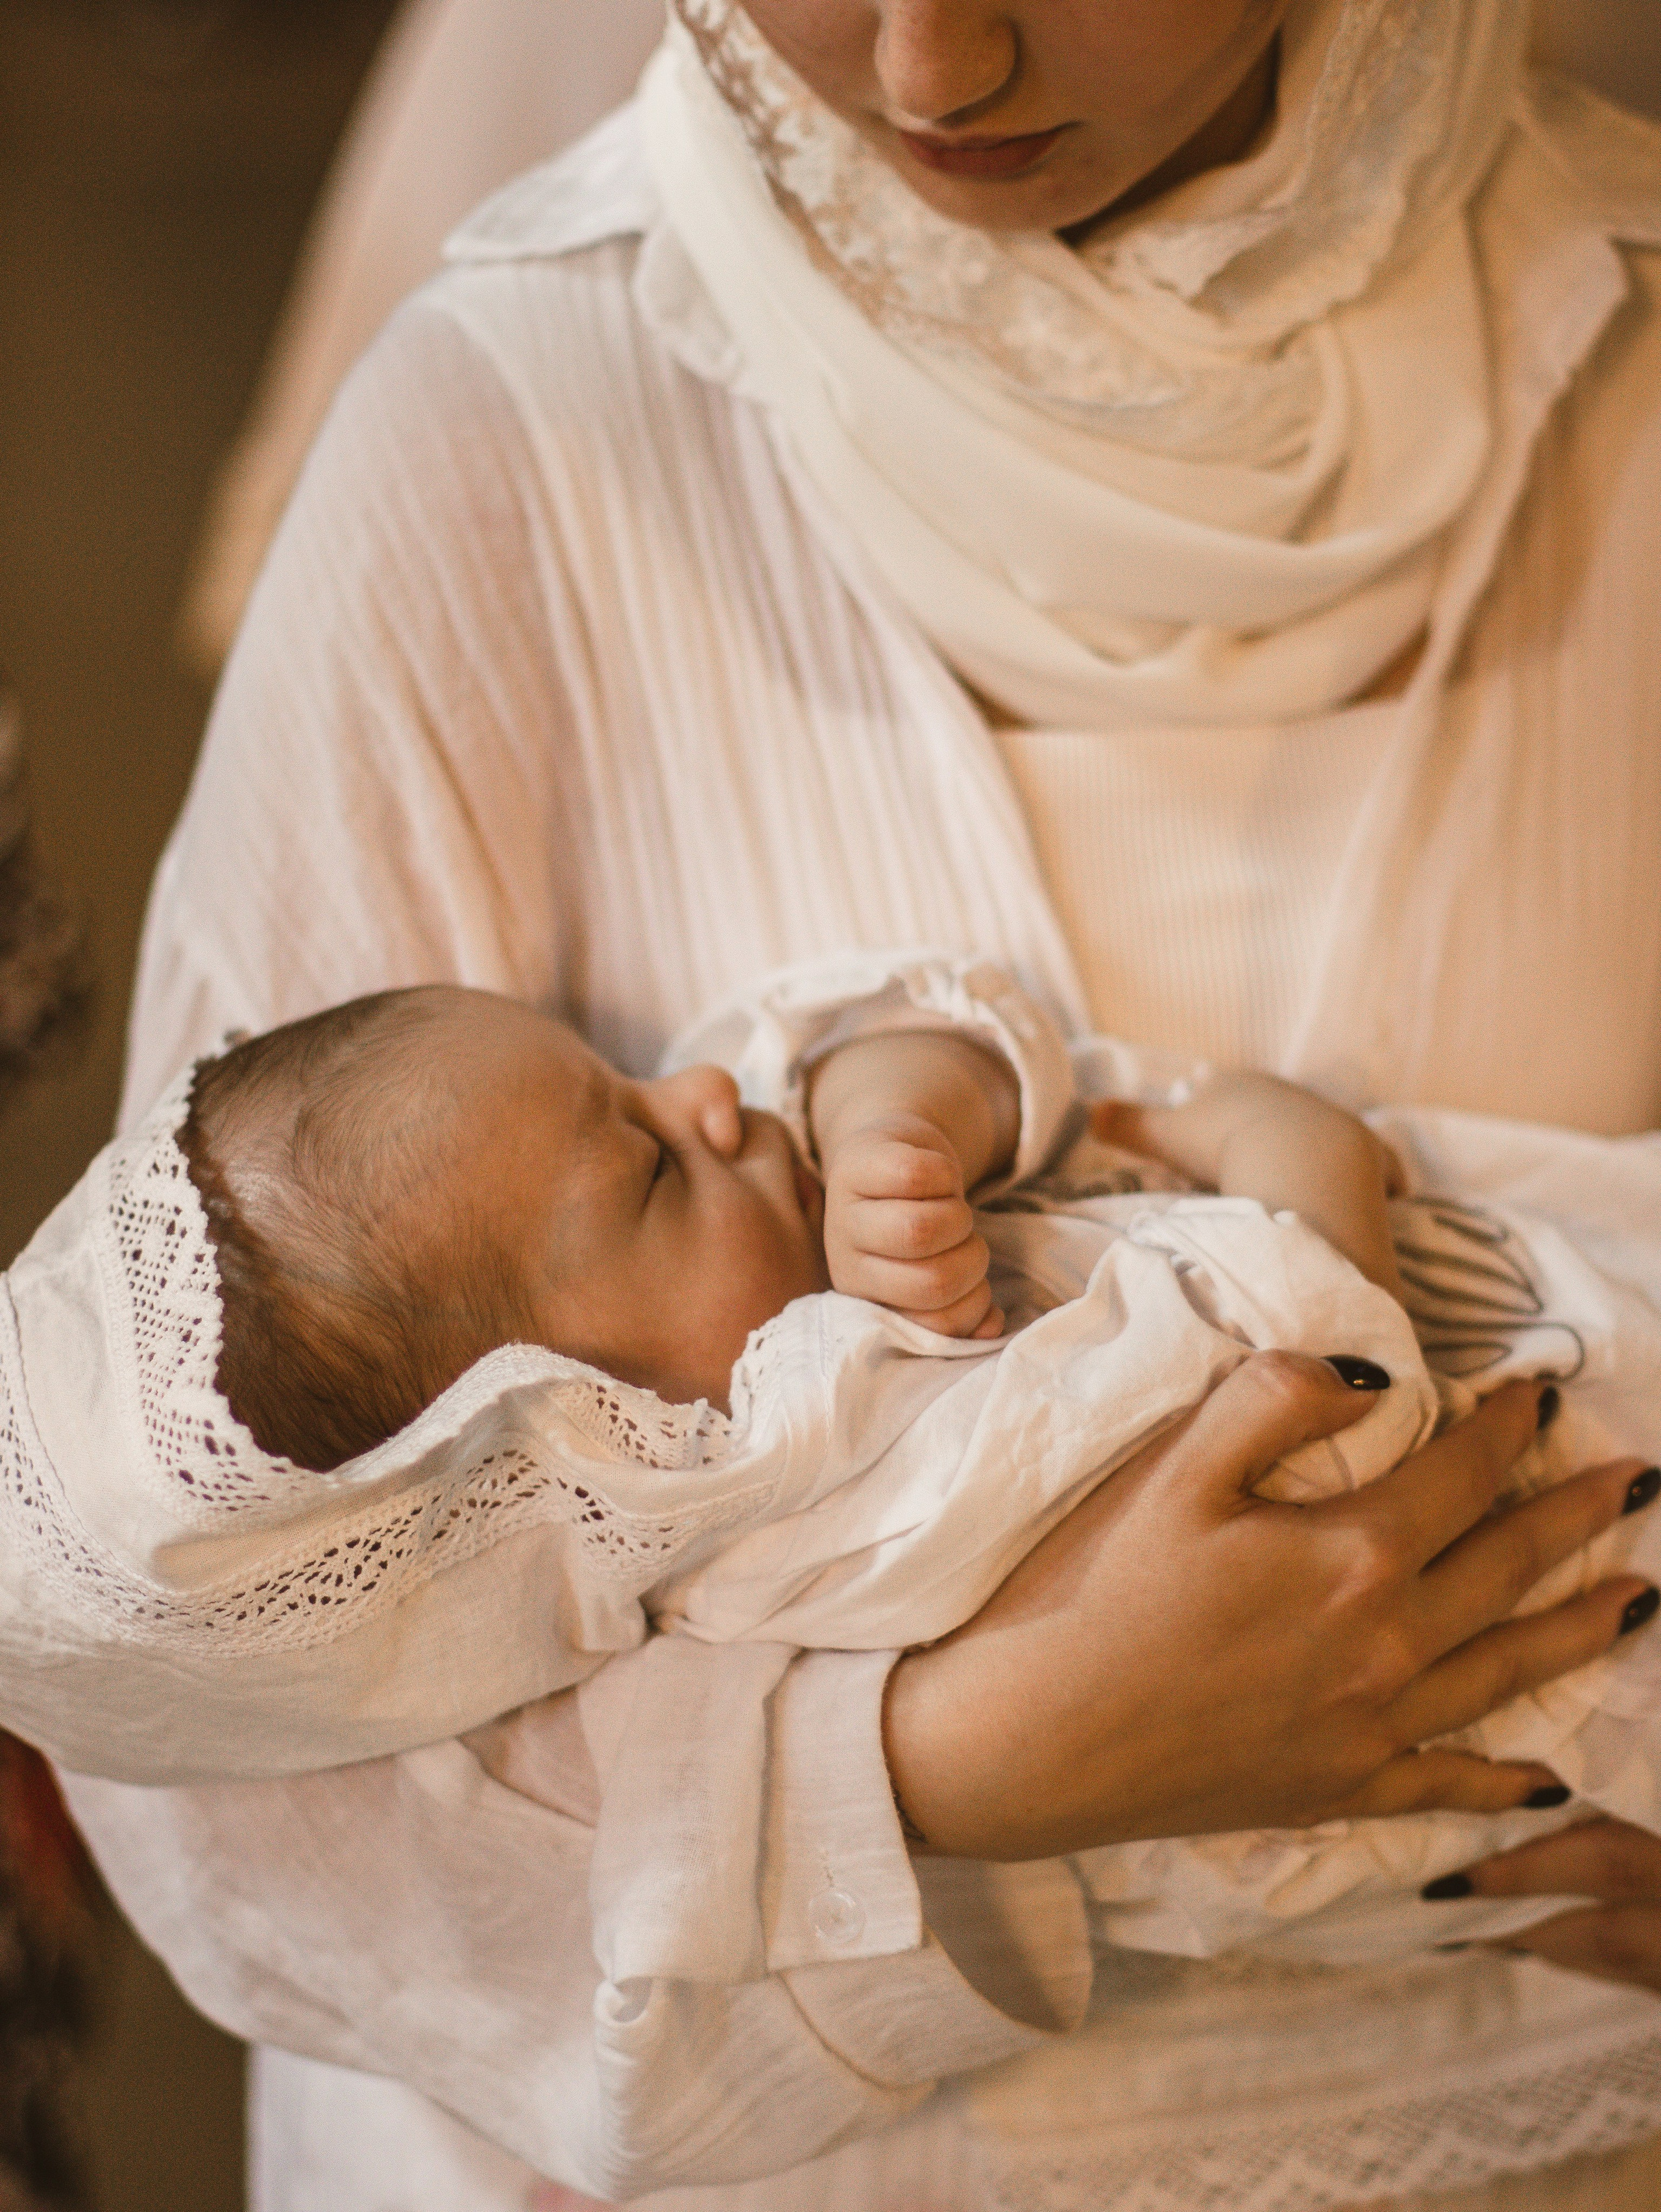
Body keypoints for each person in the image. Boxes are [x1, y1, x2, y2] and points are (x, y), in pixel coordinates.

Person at [48, 0, 1661, 2206]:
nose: (928, 64)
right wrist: (939, 1767)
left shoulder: (1634, 348)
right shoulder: (515, 418)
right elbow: (206, 1688)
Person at [12, 951, 1661, 1975]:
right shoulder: (838, 1524)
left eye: (620, 1073)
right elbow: (1329, 1432)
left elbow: (906, 1014)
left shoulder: (786, 1233)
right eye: (646, 1161)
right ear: (582, 1444)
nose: (709, 1093)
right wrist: (1284, 1151)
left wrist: (898, 1117)